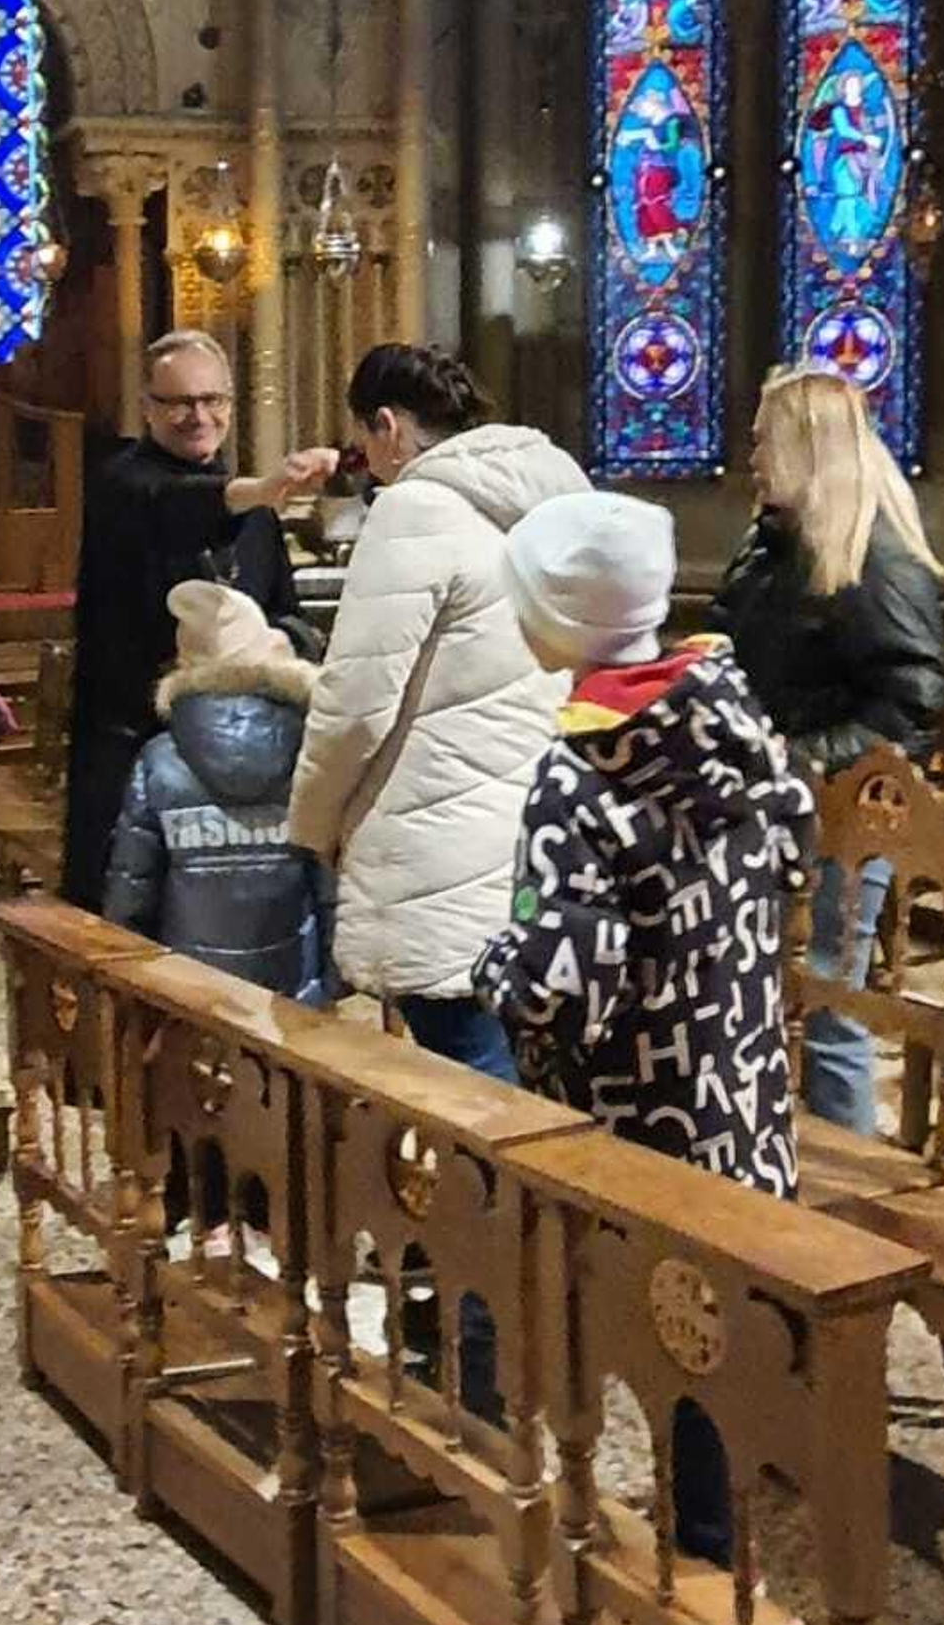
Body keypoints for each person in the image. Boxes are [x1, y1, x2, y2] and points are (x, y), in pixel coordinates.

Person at [471, 492, 816, 1563]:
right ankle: (718, 1533)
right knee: (711, 1317)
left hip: (628, 1107)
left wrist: (493, 972)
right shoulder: (736, 723)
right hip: (739, 1084)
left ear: (556, 623)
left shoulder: (578, 771)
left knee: (645, 1319)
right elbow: (797, 864)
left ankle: (681, 1560)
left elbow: (566, 975)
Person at [288, 343, 588, 1078]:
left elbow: (355, 705)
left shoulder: (416, 510)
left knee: (467, 1069)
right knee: (513, 1049)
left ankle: (506, 1196)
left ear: (388, 426)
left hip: (436, 840)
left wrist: (312, 823)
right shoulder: (546, 502)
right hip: (531, 824)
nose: (364, 455)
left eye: (363, 437)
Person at [712, 367, 944, 1136]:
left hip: (845, 822)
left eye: (760, 440)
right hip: (774, 808)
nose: (749, 455)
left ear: (805, 445)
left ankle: (853, 1210)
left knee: (831, 1016)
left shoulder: (873, 557)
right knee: (763, 1004)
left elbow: (910, 706)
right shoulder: (772, 546)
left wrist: (795, 754)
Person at [62, 329, 336, 909]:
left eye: (214, 400)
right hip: (137, 737)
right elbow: (174, 502)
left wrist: (284, 647)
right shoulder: (120, 481)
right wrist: (263, 488)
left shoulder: (255, 512)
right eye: (180, 402)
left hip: (246, 749)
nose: (199, 416)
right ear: (147, 407)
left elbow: (286, 611)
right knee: (123, 912)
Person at [103, 580, 333, 1003]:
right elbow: (330, 884)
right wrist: (330, 984)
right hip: (295, 998)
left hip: (189, 996)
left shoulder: (158, 762)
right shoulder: (309, 752)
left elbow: (132, 891)